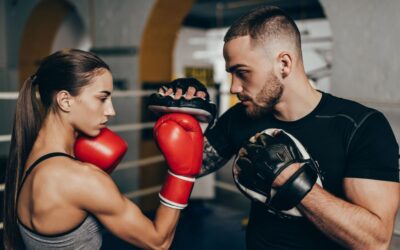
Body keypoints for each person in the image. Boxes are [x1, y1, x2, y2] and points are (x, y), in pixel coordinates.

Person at [154, 6, 400, 250]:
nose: (233, 88)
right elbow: (189, 166)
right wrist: (185, 125)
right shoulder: (243, 116)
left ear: (283, 64)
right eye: (231, 73)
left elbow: (374, 242)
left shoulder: (362, 126)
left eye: (242, 73)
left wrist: (294, 183)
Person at [3, 49, 203, 250]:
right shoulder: (80, 178)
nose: (111, 111)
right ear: (65, 100)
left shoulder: (30, 158)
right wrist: (181, 175)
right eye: (102, 98)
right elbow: (159, 241)